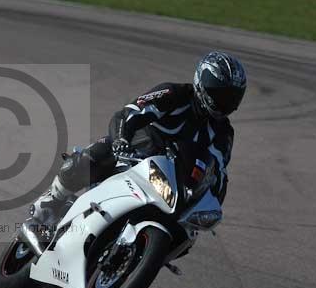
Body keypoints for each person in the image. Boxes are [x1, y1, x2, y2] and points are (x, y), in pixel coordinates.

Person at [30, 51, 247, 227]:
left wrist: (212, 205)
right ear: (202, 82)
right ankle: (51, 202)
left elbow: (218, 173)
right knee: (86, 160)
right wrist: (121, 141)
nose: (223, 101)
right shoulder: (173, 94)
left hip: (169, 185)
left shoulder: (223, 133)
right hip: (134, 153)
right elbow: (128, 114)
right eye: (219, 93)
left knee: (186, 233)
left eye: (231, 97)